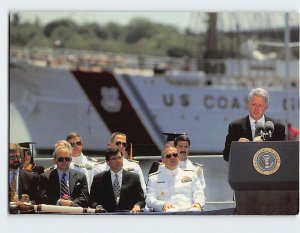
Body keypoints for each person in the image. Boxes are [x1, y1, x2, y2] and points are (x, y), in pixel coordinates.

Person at [223, 87, 286, 161]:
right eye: (253, 105)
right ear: (248, 105)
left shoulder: (278, 127)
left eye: (260, 105)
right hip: (245, 171)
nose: (256, 109)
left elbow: (284, 155)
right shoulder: (235, 127)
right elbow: (226, 156)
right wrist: (237, 147)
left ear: (266, 107)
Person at [146, 146, 205, 212]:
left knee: (196, 210)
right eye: (168, 156)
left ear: (178, 157)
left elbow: (199, 193)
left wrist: (198, 203)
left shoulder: (191, 175)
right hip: (167, 212)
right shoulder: (154, 178)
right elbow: (149, 199)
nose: (172, 157)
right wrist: (162, 205)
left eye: (175, 155)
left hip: (189, 211)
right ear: (163, 160)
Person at [89, 148, 145, 212]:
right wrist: (98, 207)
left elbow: (141, 200)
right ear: (108, 162)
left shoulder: (133, 177)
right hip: (106, 216)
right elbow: (92, 201)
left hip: (128, 216)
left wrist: (137, 206)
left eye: (119, 157)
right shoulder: (98, 179)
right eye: (114, 159)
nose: (117, 160)